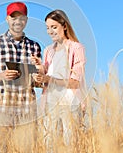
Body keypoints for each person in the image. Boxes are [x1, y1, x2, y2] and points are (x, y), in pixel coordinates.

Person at [0, 1, 42, 152]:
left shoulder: (34, 46)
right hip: (2, 107)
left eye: (21, 18)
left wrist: (39, 79)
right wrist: (2, 75)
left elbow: (38, 80)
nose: (17, 21)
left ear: (26, 21)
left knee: (28, 149)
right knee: (0, 148)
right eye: (14, 17)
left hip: (27, 108)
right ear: (7, 19)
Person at [31, 9, 86, 150]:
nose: (50, 31)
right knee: (49, 145)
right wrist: (39, 67)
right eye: (48, 28)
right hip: (50, 103)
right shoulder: (48, 50)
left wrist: (48, 78)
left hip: (70, 103)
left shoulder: (76, 48)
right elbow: (48, 74)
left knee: (71, 145)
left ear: (65, 26)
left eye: (54, 27)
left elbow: (75, 82)